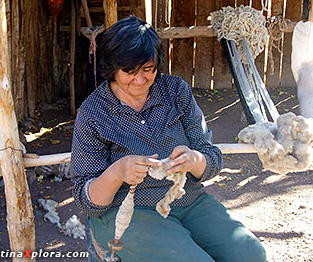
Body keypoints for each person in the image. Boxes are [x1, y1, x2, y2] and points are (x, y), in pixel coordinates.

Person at [71, 15, 267, 262]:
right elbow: (86, 199)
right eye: (129, 72)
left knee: (250, 254)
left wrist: (194, 160)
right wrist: (118, 172)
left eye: (148, 69)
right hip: (130, 212)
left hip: (189, 201)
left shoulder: (175, 91)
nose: (141, 80)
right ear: (111, 67)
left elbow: (212, 158)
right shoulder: (93, 112)